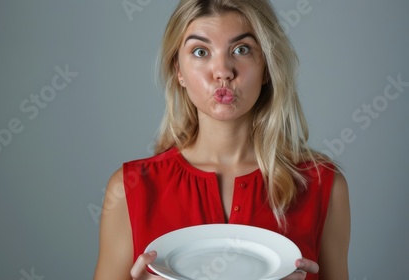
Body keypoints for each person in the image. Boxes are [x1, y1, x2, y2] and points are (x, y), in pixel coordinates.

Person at [94, 0, 350, 279]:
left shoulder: (323, 185)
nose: (223, 71)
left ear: (266, 67)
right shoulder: (129, 188)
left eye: (241, 50)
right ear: (178, 70)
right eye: (201, 51)